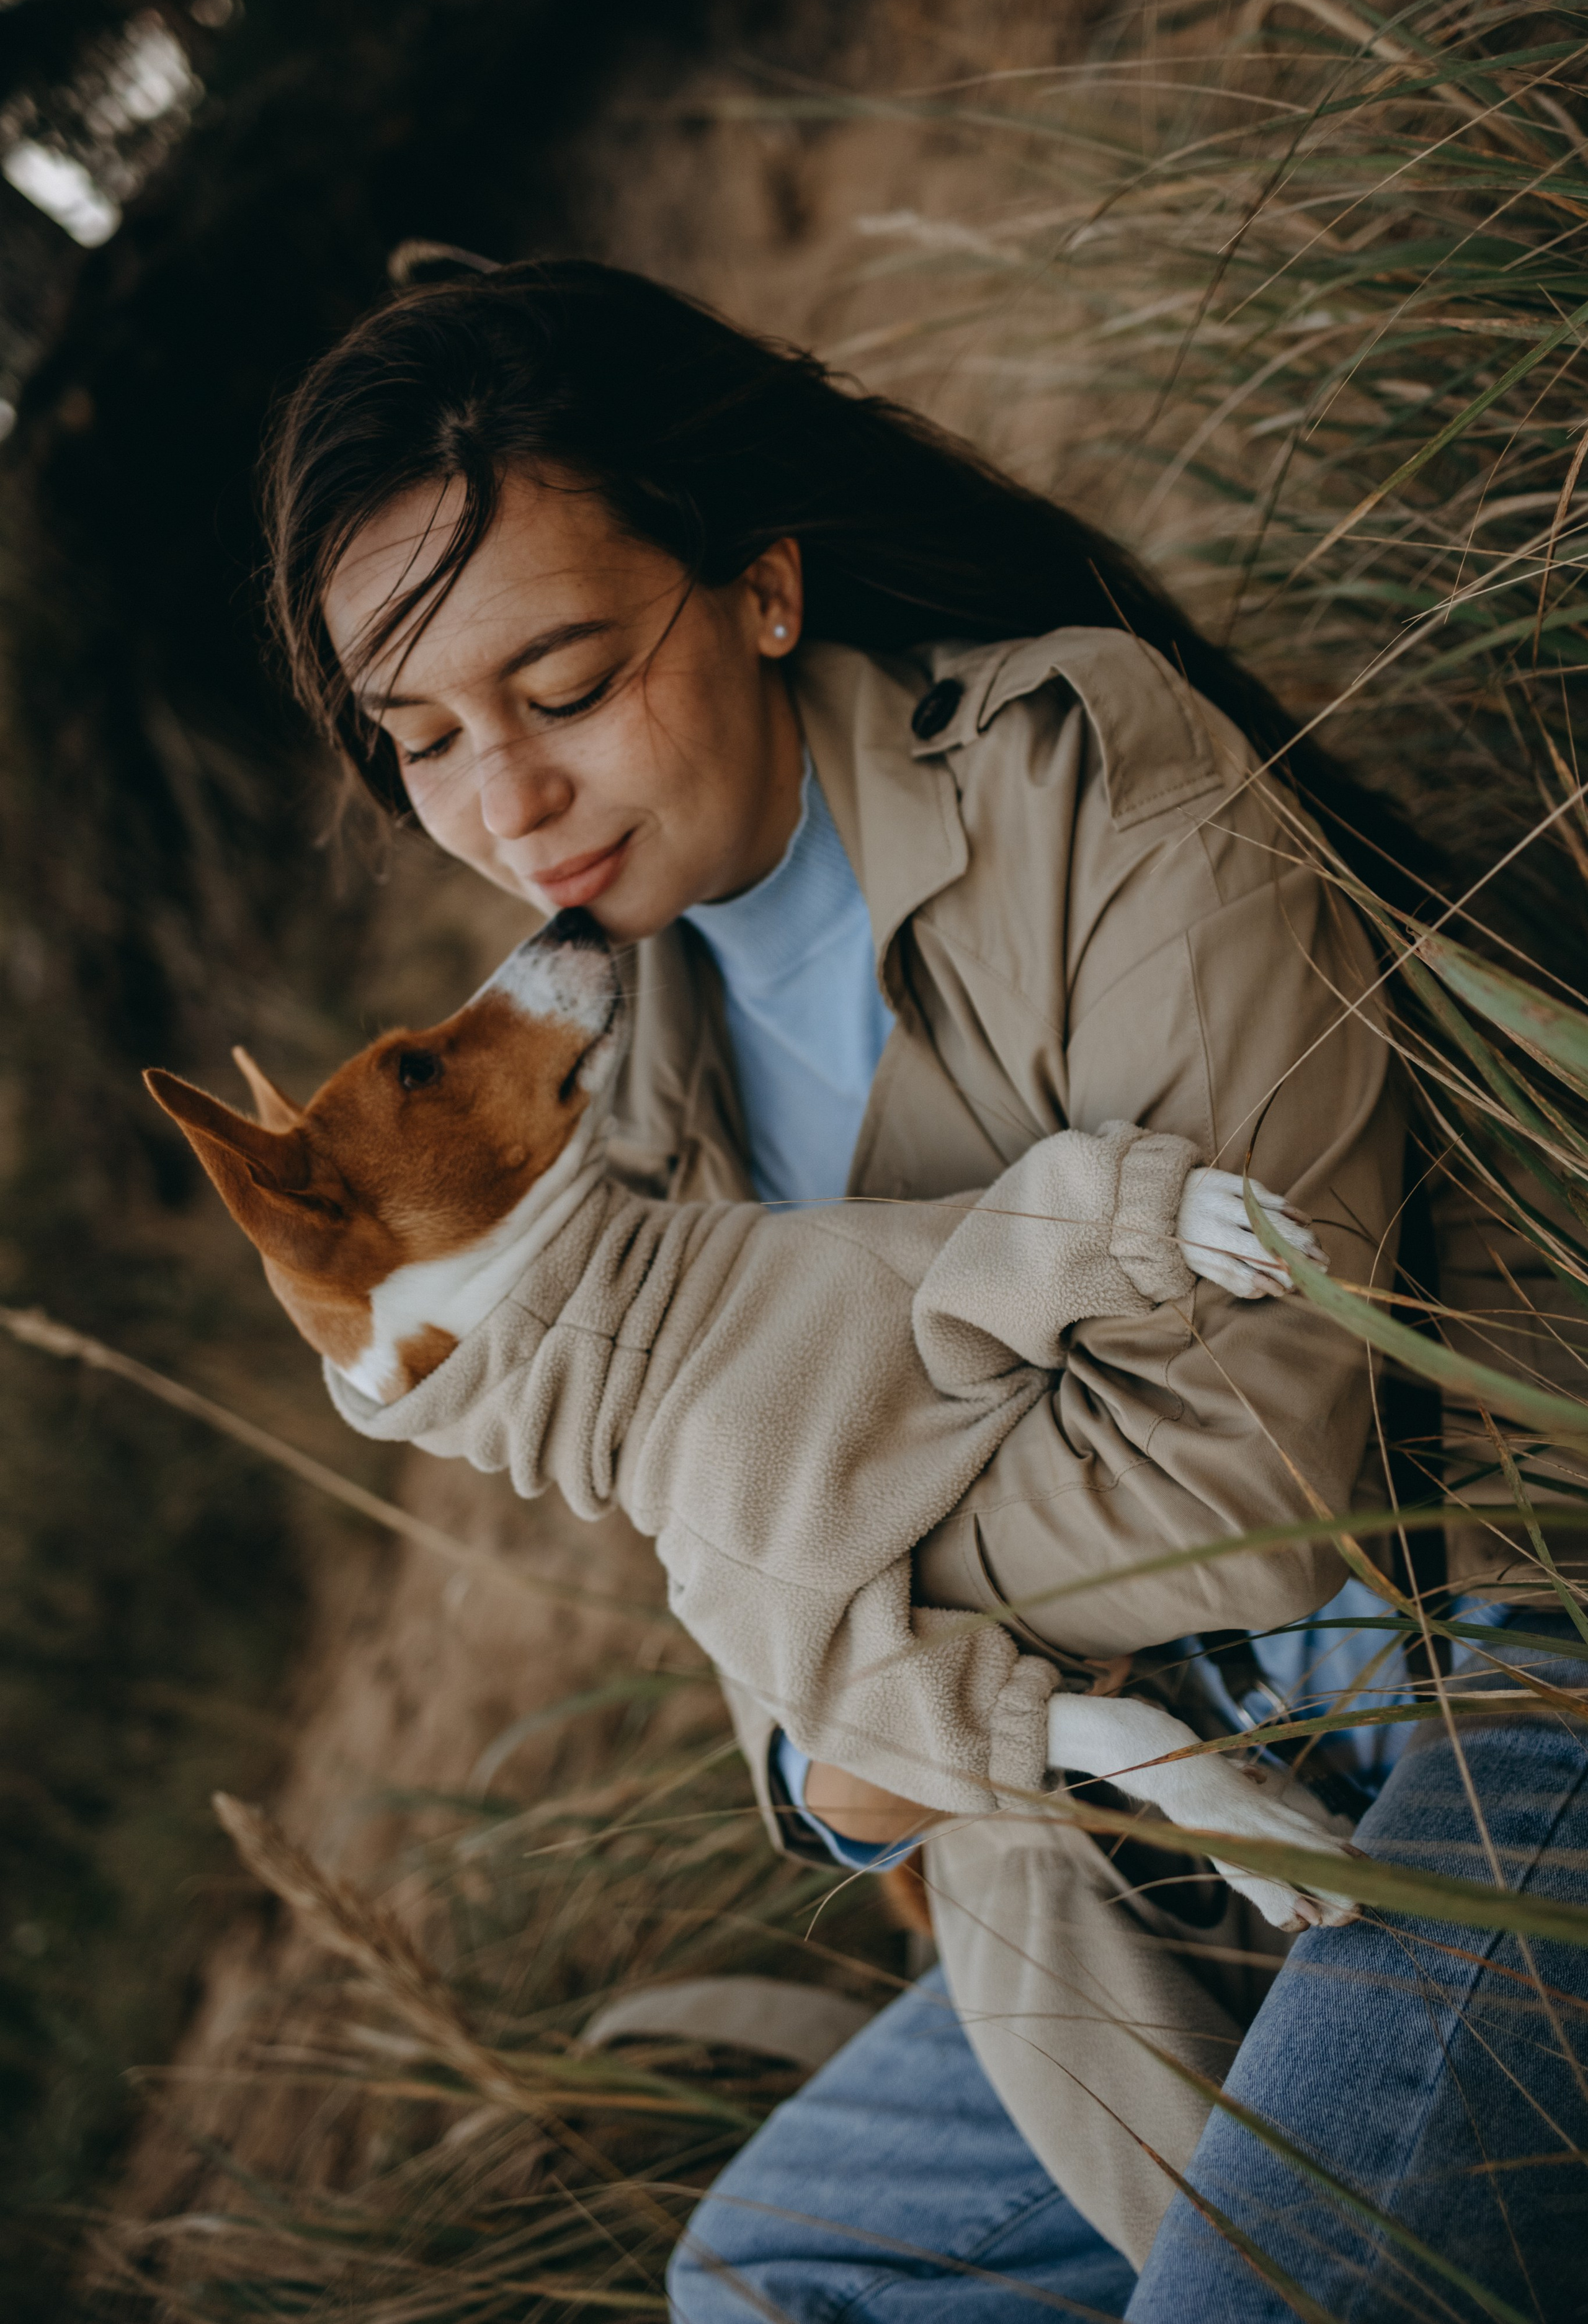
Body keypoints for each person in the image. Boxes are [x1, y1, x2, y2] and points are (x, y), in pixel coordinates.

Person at [262, 257, 1588, 2320]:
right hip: (1140, 1830)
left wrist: (863, 1688)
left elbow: (1251, 1447)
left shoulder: (1086, 771)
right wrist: (822, 1753)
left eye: (569, 685)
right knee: (773, 2285)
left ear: (762, 590)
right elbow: (776, 1670)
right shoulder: (614, 1089)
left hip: (1496, 1659)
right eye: (420, 738)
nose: (503, 808)